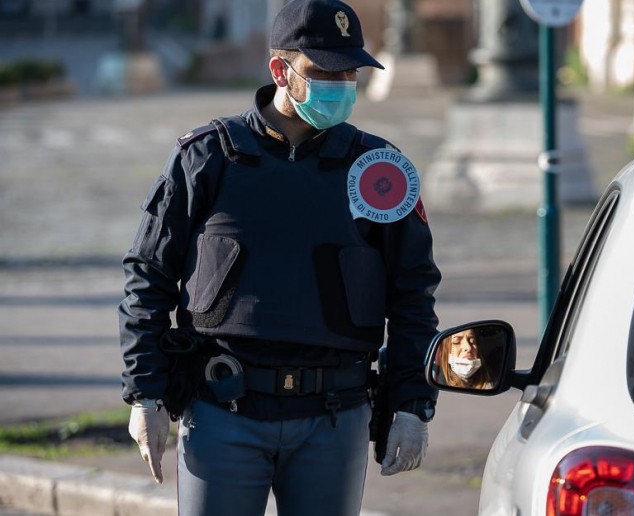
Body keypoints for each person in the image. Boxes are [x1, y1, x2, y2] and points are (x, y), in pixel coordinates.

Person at [118, 1, 441, 515]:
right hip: (225, 408)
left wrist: (411, 405)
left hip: (335, 417)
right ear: (279, 71)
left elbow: (412, 295)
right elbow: (148, 276)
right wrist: (145, 393)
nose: (340, 81)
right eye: (323, 70)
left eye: (349, 70)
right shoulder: (206, 158)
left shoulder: (381, 171)